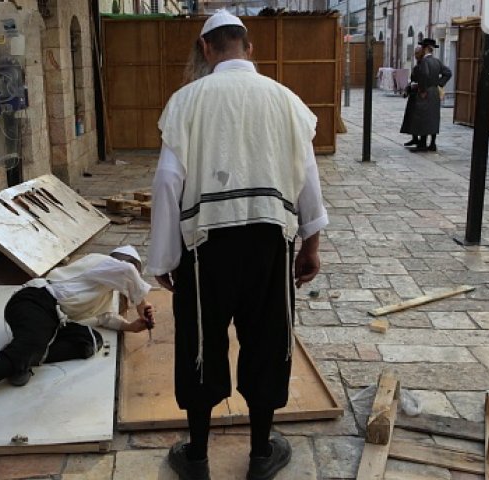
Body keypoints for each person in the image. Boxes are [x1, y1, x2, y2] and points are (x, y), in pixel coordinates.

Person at [148, 10, 328, 480]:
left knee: (200, 345)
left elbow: (168, 181)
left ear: (207, 49)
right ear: (249, 48)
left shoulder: (187, 101)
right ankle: (260, 455)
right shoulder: (286, 100)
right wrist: (311, 244)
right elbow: (308, 176)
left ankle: (199, 457)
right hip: (271, 243)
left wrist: (165, 258)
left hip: (207, 249)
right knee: (269, 341)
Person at [0, 245, 155, 418]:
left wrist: (130, 326)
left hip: (54, 320)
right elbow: (126, 270)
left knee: (89, 341)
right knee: (33, 342)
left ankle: (21, 360)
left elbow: (105, 317)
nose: (129, 278)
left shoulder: (105, 292)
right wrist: (141, 304)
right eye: (132, 272)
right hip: (35, 302)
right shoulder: (101, 262)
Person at [400, 38, 452, 152]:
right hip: (434, 92)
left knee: (422, 117)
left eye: (422, 47)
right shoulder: (437, 61)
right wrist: (439, 84)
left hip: (425, 93)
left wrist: (423, 89)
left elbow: (424, 75)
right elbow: (448, 73)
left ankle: (422, 144)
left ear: (425, 48)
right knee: (433, 118)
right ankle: (432, 144)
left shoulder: (424, 61)